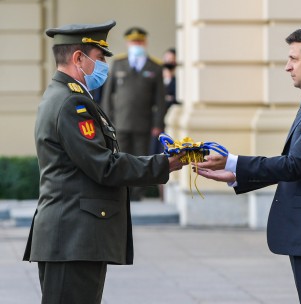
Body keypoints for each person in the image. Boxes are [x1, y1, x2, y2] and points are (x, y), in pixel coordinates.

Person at [22, 20, 185, 304]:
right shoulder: (71, 103)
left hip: (74, 237)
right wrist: (163, 164)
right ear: (78, 58)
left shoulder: (70, 97)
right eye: (98, 58)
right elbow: (104, 165)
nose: (103, 66)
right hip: (72, 238)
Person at [194, 25, 301, 304]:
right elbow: (299, 166)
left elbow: (295, 165)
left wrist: (235, 161)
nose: (287, 67)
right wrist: (236, 173)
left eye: (294, 59)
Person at [101, 27, 166, 200]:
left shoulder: (155, 66)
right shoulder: (119, 63)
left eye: (139, 41)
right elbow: (108, 95)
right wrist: (107, 120)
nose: (136, 44)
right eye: (133, 42)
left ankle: (138, 192)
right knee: (121, 157)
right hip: (120, 122)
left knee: (142, 158)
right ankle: (124, 191)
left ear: (145, 43)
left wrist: (158, 124)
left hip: (144, 123)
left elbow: (160, 100)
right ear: (127, 43)